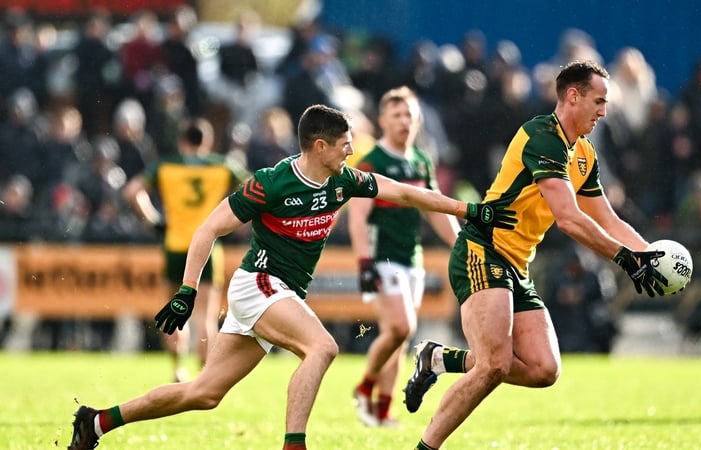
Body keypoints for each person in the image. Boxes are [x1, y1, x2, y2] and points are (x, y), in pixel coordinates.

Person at [68, 104, 516, 450]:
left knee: (203, 393)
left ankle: (97, 421)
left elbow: (403, 192)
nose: (350, 150)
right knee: (322, 347)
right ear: (319, 146)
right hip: (258, 283)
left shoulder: (344, 180)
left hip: (274, 292)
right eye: (344, 143)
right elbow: (209, 228)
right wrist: (187, 290)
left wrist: (468, 209)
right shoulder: (271, 182)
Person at [403, 60, 668, 450]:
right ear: (572, 96)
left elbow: (608, 219)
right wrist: (627, 261)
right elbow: (568, 219)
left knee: (544, 369)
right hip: (484, 249)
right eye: (598, 101)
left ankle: (436, 359)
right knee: (493, 365)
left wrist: (649, 256)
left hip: (516, 264)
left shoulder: (585, 155)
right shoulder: (541, 135)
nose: (603, 111)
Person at [349, 86, 460, 427]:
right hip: (382, 259)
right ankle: (364, 385)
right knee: (401, 326)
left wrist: (462, 243)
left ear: (419, 119)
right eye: (396, 115)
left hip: (412, 258)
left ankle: (382, 410)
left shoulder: (422, 161)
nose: (403, 121)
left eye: (409, 114)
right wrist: (364, 262)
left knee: (399, 337)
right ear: (382, 120)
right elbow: (357, 216)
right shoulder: (372, 163)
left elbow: (437, 211)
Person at [123, 119, 248, 382]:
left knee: (174, 308)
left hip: (175, 244)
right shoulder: (221, 166)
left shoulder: (166, 165)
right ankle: (205, 376)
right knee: (206, 315)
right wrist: (236, 221)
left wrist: (153, 220)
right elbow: (253, 189)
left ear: (182, 141)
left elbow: (133, 191)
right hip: (208, 246)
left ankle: (178, 369)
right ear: (208, 142)